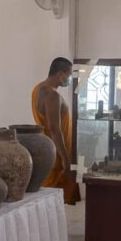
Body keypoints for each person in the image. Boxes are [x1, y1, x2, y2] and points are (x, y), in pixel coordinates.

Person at [31, 57, 80, 205]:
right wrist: (66, 160)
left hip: (48, 149)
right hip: (56, 153)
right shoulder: (52, 95)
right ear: (61, 74)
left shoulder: (38, 88)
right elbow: (54, 130)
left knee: (51, 200)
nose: (69, 79)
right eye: (69, 75)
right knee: (51, 199)